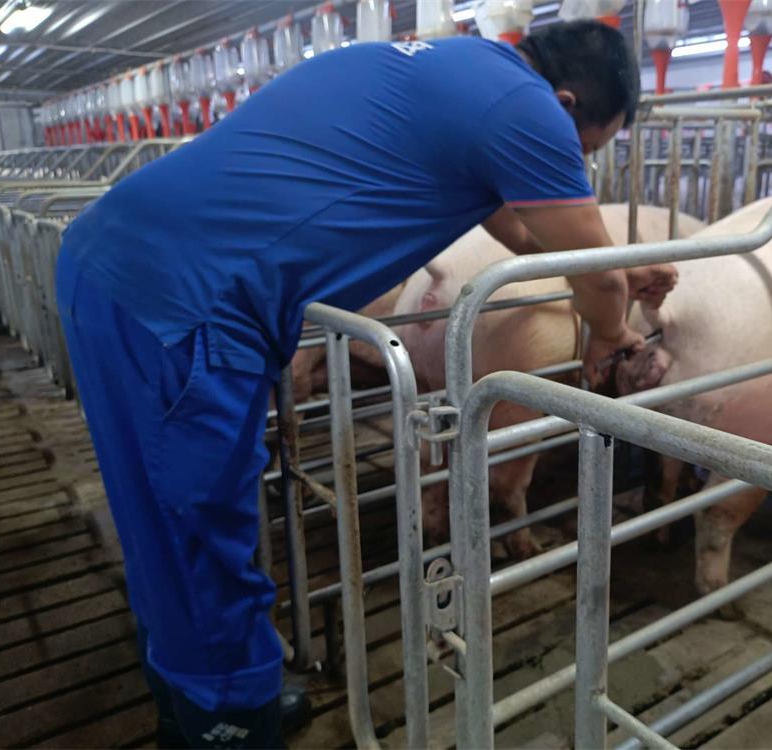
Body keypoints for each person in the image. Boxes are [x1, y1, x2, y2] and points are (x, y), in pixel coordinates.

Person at [55, 20, 674, 748]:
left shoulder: (455, 69)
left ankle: (195, 699)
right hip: (188, 304)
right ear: (566, 104)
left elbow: (532, 239)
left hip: (115, 264)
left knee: (155, 512)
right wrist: (611, 330)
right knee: (199, 525)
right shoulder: (527, 107)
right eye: (587, 149)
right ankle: (228, 720)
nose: (578, 161)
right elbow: (593, 281)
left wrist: (614, 271)